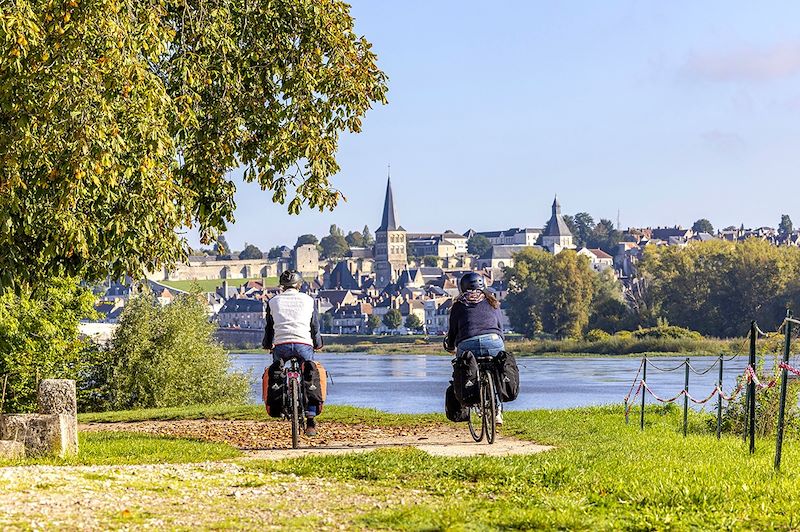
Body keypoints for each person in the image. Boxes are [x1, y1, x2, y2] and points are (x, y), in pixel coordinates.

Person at [262, 269, 324, 436]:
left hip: (281, 345)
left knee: (278, 371)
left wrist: (267, 344)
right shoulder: (309, 300)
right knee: (310, 373)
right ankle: (310, 418)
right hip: (303, 343)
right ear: (299, 285)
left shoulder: (273, 301)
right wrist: (317, 344)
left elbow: (269, 328)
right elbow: (315, 327)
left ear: (282, 286)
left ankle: (280, 404)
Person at [444, 271, 505, 423]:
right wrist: (499, 342)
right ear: (483, 285)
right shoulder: (492, 302)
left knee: (462, 368)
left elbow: (453, 331)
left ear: (462, 288)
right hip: (494, 340)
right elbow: (500, 326)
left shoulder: (459, 305)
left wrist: (451, 347)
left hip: (468, 344)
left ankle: (471, 396)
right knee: (497, 369)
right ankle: (497, 410)